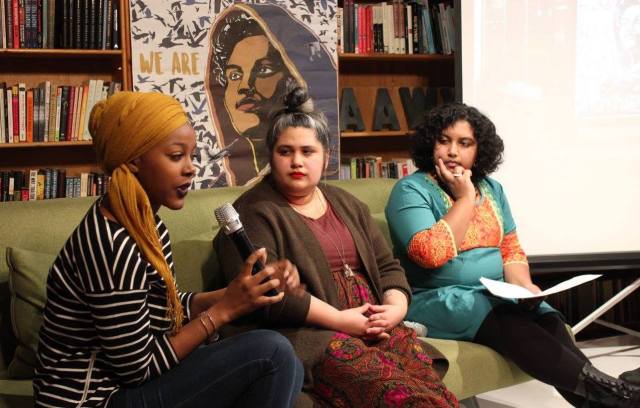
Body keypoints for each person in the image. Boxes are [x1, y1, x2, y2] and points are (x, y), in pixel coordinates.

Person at [33, 92, 304, 408]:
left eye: (192, 156)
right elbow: (138, 369)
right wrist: (223, 311)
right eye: (176, 156)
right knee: (271, 352)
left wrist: (238, 293)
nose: (191, 169)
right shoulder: (111, 242)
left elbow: (160, 311)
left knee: (289, 362)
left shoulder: (145, 224)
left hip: (124, 388)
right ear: (134, 159)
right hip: (95, 400)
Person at [214, 87, 458, 408]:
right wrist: (342, 321)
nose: (297, 161)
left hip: (375, 328)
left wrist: (395, 309)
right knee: (404, 397)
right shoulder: (254, 211)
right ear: (270, 157)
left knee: (434, 393)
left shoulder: (347, 203)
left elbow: (388, 268)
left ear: (326, 157)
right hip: (312, 336)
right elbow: (270, 296)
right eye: (285, 151)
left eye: (307, 151)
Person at [384, 102, 640, 408]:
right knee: (494, 309)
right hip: (434, 298)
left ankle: (606, 399)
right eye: (444, 141)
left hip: (493, 294)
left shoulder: (492, 189)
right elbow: (430, 253)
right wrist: (465, 199)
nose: (452, 151)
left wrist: (524, 288)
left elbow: (510, 248)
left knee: (544, 315)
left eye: (464, 143)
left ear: (480, 150)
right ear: (430, 143)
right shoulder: (410, 190)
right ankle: (616, 394)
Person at [206, 3, 338, 186]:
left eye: (264, 70)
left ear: (293, 80)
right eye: (234, 75)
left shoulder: (335, 198)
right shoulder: (223, 192)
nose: (245, 86)